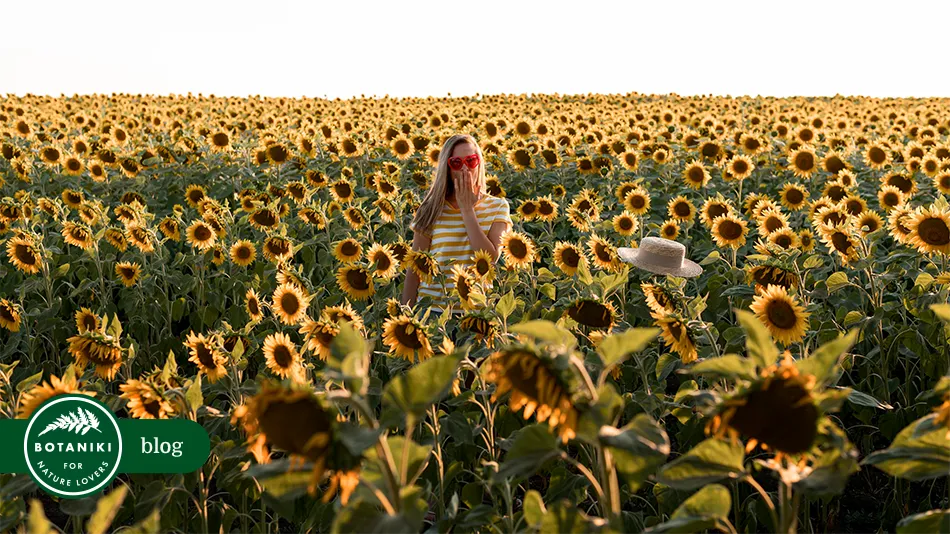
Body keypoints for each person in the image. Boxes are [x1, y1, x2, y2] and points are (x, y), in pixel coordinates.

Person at [400, 134, 512, 319]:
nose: (465, 168)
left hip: (477, 314)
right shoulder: (431, 208)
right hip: (432, 314)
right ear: (447, 168)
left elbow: (490, 259)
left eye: (471, 160)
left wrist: (467, 210)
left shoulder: (498, 207)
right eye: (456, 163)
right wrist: (405, 315)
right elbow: (415, 269)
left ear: (479, 163)